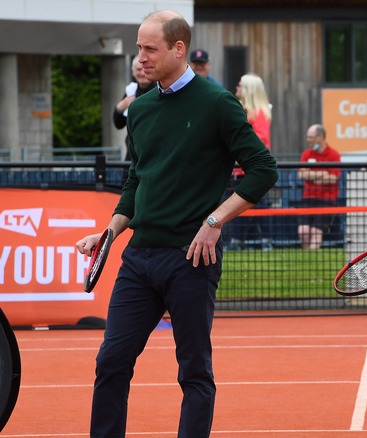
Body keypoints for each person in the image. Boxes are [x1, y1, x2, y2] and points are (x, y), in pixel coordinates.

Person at [75, 10, 278, 437]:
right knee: (110, 362)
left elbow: (263, 169)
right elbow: (137, 179)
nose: (141, 57)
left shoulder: (218, 103)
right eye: (138, 48)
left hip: (191, 259)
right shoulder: (141, 110)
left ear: (178, 48)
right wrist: (110, 230)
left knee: (194, 372)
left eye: (150, 48)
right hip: (137, 260)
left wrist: (215, 220)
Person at [225, 72, 274, 250]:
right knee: (243, 207)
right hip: (241, 169)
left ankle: (262, 240)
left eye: (240, 85)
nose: (237, 87)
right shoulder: (250, 111)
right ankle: (244, 240)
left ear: (249, 90)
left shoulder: (258, 113)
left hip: (249, 169)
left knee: (256, 208)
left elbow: (261, 139)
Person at [297, 124, 341, 249]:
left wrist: (312, 176)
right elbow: (302, 174)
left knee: (316, 233)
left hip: (327, 200)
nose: (308, 140)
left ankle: (313, 261)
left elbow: (333, 178)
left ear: (320, 137)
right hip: (308, 199)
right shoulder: (306, 154)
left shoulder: (334, 155)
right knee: (303, 231)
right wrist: (322, 174)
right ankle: (307, 259)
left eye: (310, 137)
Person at [112, 55, 155, 160]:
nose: (142, 73)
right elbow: (119, 124)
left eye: (144, 69)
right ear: (133, 73)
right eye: (138, 69)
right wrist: (119, 109)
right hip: (132, 151)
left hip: (152, 151)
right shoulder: (131, 91)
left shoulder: (160, 89)